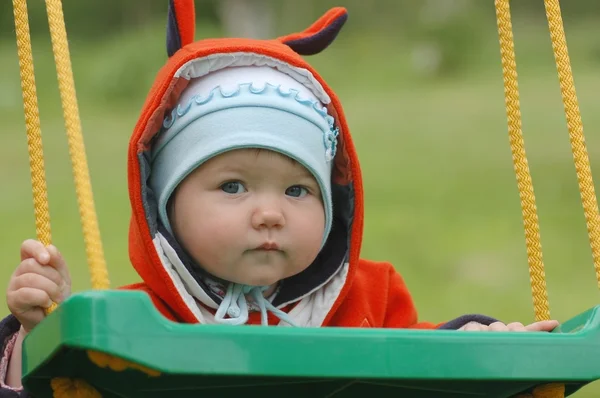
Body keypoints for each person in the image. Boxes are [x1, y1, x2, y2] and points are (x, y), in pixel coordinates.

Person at [0, 6, 558, 395]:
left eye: (298, 189)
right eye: (233, 186)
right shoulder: (131, 325)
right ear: (163, 206)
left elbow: (428, 377)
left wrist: (494, 358)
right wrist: (40, 334)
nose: (270, 213)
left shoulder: (374, 300)